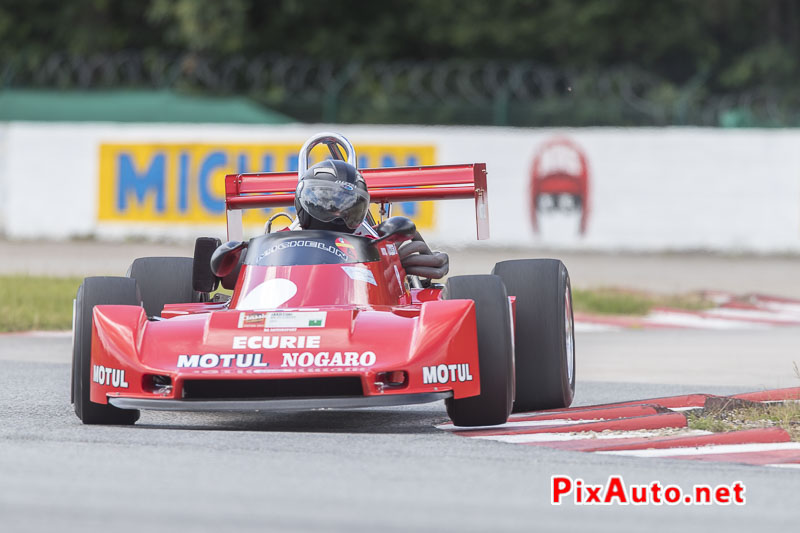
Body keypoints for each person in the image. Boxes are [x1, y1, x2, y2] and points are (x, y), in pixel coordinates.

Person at [294, 160, 448, 281]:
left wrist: (395, 265)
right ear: (303, 199)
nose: (338, 214)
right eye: (327, 202)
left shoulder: (376, 243)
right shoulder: (278, 241)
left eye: (349, 206)